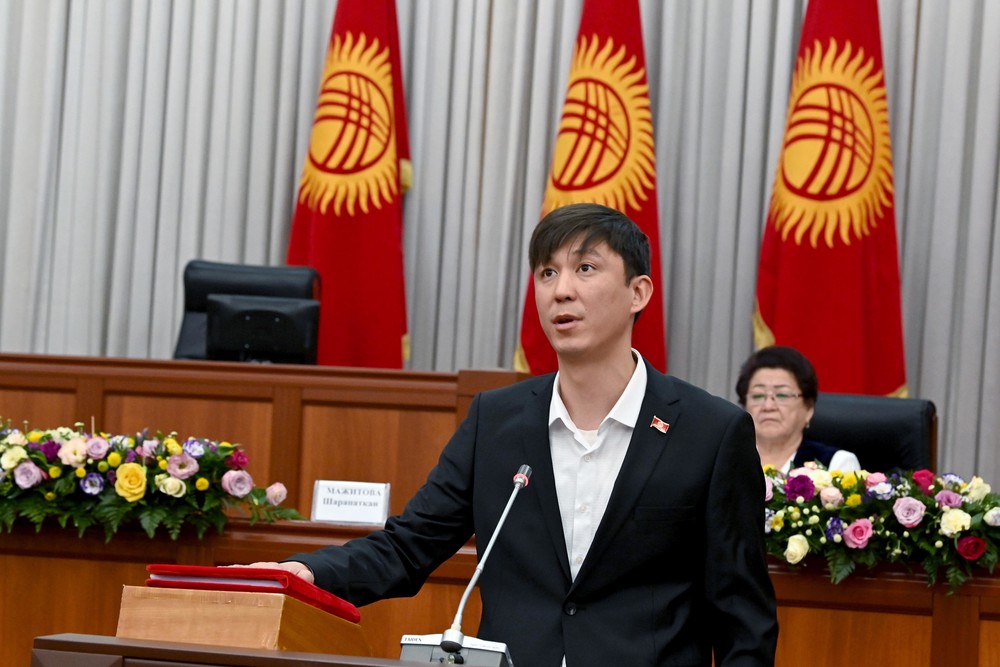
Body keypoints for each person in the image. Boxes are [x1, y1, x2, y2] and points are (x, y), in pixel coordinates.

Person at [242, 203, 778, 666]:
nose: (561, 290)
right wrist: (303, 571)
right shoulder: (497, 421)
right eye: (547, 273)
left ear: (638, 292)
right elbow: (408, 548)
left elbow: (743, 618)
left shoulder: (710, 432)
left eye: (585, 268)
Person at [735, 345, 861, 474]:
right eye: (758, 396)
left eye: (782, 395)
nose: (768, 406)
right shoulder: (729, 459)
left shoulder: (838, 464)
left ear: (809, 410)